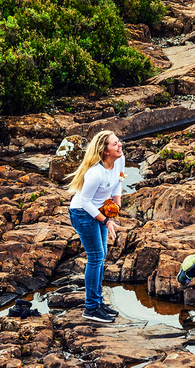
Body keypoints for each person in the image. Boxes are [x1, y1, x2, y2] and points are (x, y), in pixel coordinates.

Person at [66, 130, 125, 323]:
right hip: (83, 213)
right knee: (95, 256)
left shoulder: (119, 161)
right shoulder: (94, 173)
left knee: (102, 255)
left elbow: (117, 183)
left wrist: (115, 207)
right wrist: (106, 221)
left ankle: (98, 303)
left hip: (99, 210)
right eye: (115, 144)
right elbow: (84, 203)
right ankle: (91, 308)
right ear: (105, 151)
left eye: (119, 142)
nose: (120, 145)